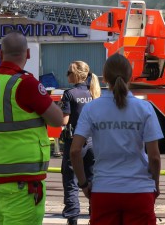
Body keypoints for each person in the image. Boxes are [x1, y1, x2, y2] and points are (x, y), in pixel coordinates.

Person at [0, 31, 63, 224]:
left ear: (1, 55)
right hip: (24, 183)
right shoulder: (25, 83)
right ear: (28, 54)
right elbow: (58, 120)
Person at [71, 53, 163, 225]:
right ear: (130, 76)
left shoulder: (91, 109)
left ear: (104, 77)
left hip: (103, 191)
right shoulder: (145, 108)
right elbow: (154, 157)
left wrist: (84, 185)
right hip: (139, 191)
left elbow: (75, 151)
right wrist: (155, 184)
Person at [60, 61, 102, 225]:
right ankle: (95, 214)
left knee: (71, 182)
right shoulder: (94, 93)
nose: (67, 75)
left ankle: (73, 218)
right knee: (93, 178)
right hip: (92, 142)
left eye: (68, 72)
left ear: (75, 74)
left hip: (74, 142)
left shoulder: (69, 94)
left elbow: (64, 120)